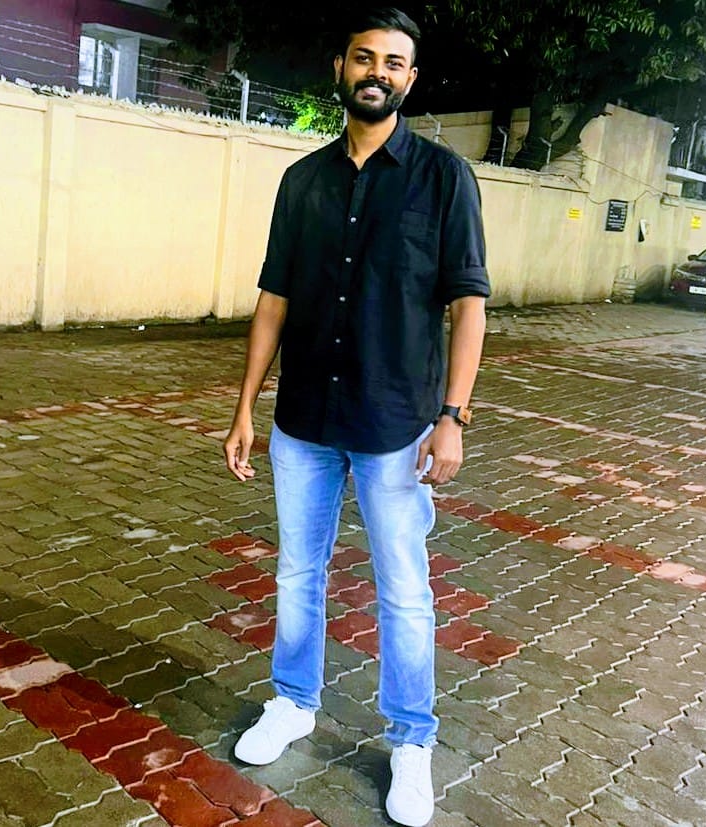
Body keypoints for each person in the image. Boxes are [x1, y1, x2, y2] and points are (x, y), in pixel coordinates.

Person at [222, 8, 490, 826]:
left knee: (402, 589)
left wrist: (452, 416)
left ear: (410, 78)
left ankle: (411, 741)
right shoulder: (302, 180)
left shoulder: (443, 178)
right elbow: (273, 299)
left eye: (393, 62)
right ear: (339, 68)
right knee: (296, 573)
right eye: (364, 57)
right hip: (303, 419)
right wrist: (244, 408)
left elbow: (467, 305)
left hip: (395, 426)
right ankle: (292, 701)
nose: (377, 72)